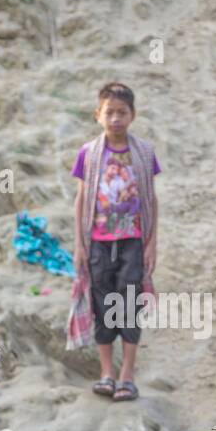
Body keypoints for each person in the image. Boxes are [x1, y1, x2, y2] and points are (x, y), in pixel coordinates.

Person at [69, 81, 161, 402]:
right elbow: (82, 200)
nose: (116, 119)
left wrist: (151, 244)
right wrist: (80, 245)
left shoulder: (144, 154)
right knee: (102, 304)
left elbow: (151, 199)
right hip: (97, 242)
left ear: (132, 115)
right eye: (109, 112)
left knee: (128, 305)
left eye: (122, 112)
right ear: (98, 115)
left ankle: (127, 375)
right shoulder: (90, 154)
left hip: (132, 241)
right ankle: (106, 372)